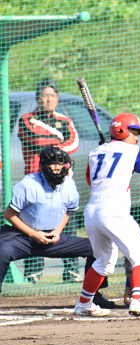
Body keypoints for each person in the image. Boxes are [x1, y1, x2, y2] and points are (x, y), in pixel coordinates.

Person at [72, 113, 140, 317]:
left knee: (103, 262)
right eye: (134, 132)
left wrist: (107, 147)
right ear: (121, 130)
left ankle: (84, 304)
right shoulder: (132, 149)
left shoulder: (95, 152)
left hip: (92, 211)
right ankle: (139, 301)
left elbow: (90, 179)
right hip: (113, 210)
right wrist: (117, 148)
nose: (137, 137)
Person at [0, 147, 106, 294]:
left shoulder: (69, 184)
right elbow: (9, 215)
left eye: (61, 163)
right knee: (2, 251)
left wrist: (57, 231)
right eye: (53, 163)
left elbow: (68, 211)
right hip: (25, 238)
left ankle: (94, 294)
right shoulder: (28, 184)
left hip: (53, 238)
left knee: (97, 248)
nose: (58, 167)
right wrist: (34, 234)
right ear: (42, 165)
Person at [17, 78, 82, 284]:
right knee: (34, 226)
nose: (49, 99)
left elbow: (73, 143)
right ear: (38, 98)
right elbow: (35, 141)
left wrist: (55, 147)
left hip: (61, 183)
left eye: (53, 95)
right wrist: (58, 144)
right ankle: (33, 274)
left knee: (66, 223)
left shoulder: (65, 120)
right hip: (37, 182)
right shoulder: (27, 119)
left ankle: (71, 271)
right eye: (45, 95)